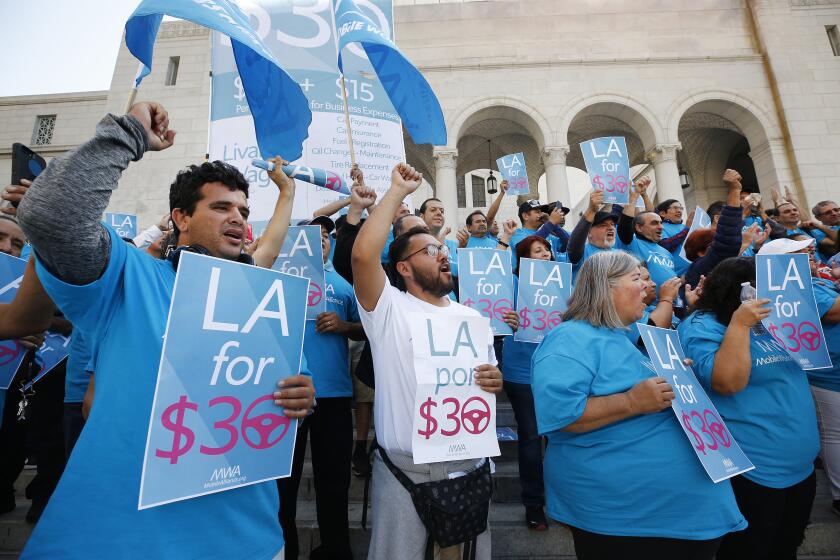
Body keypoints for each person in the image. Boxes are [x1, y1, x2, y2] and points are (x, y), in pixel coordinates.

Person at [16, 101, 314, 558]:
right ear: (181, 218)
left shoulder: (264, 301)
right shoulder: (128, 276)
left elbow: (286, 388)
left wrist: (299, 395)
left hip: (248, 539)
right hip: (119, 538)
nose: (238, 216)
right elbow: (51, 218)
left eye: (242, 208)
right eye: (221, 207)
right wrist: (128, 133)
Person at [532, 251, 746, 560]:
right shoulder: (569, 339)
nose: (649, 287)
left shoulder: (623, 336)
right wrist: (630, 401)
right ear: (604, 287)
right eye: (637, 279)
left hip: (676, 515)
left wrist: (673, 377)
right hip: (629, 520)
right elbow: (559, 415)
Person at [352, 163, 504, 560]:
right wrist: (398, 192)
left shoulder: (472, 319)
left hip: (469, 472)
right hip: (407, 476)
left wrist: (493, 379)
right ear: (403, 268)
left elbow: (486, 379)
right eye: (430, 250)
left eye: (443, 249)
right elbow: (363, 255)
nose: (443, 255)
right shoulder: (388, 309)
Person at [679, 256, 819, 559]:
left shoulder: (773, 319)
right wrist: (740, 323)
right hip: (755, 471)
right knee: (750, 551)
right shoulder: (702, 325)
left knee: (786, 547)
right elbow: (727, 382)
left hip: (800, 467)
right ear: (740, 291)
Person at [278, 215, 364, 560]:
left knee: (335, 485)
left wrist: (344, 326)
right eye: (313, 236)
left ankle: (336, 552)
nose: (321, 240)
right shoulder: (278, 281)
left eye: (326, 235)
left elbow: (365, 328)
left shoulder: (343, 284)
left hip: (335, 396)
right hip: (288, 395)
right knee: (284, 488)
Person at [762, 236, 840, 518]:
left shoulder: (817, 281)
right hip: (827, 375)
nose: (810, 253)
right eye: (799, 253)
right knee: (835, 435)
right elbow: (834, 311)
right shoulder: (795, 286)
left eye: (808, 250)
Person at [501, 235, 552, 531]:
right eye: (537, 250)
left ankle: (560, 498)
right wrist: (510, 320)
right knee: (531, 436)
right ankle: (534, 504)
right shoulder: (511, 283)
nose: (545, 254)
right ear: (523, 259)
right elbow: (491, 314)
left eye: (547, 249)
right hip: (520, 371)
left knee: (557, 437)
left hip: (555, 369)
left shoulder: (562, 285)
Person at [616, 177, 677, 296]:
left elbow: (652, 215)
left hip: (672, 307)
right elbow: (625, 225)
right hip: (646, 308)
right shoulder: (632, 244)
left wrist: (644, 195)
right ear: (639, 228)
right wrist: (634, 197)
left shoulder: (666, 253)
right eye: (654, 224)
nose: (660, 227)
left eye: (660, 223)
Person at [566, 189, 616, 276]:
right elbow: (574, 245)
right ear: (589, 232)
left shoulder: (620, 254)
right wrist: (591, 210)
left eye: (612, 224)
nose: (610, 228)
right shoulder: (582, 253)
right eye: (603, 225)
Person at [418, 197, 459, 277]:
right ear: (422, 217)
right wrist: (438, 246)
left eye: (442, 211)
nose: (439, 213)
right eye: (433, 210)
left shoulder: (455, 245)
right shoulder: (415, 245)